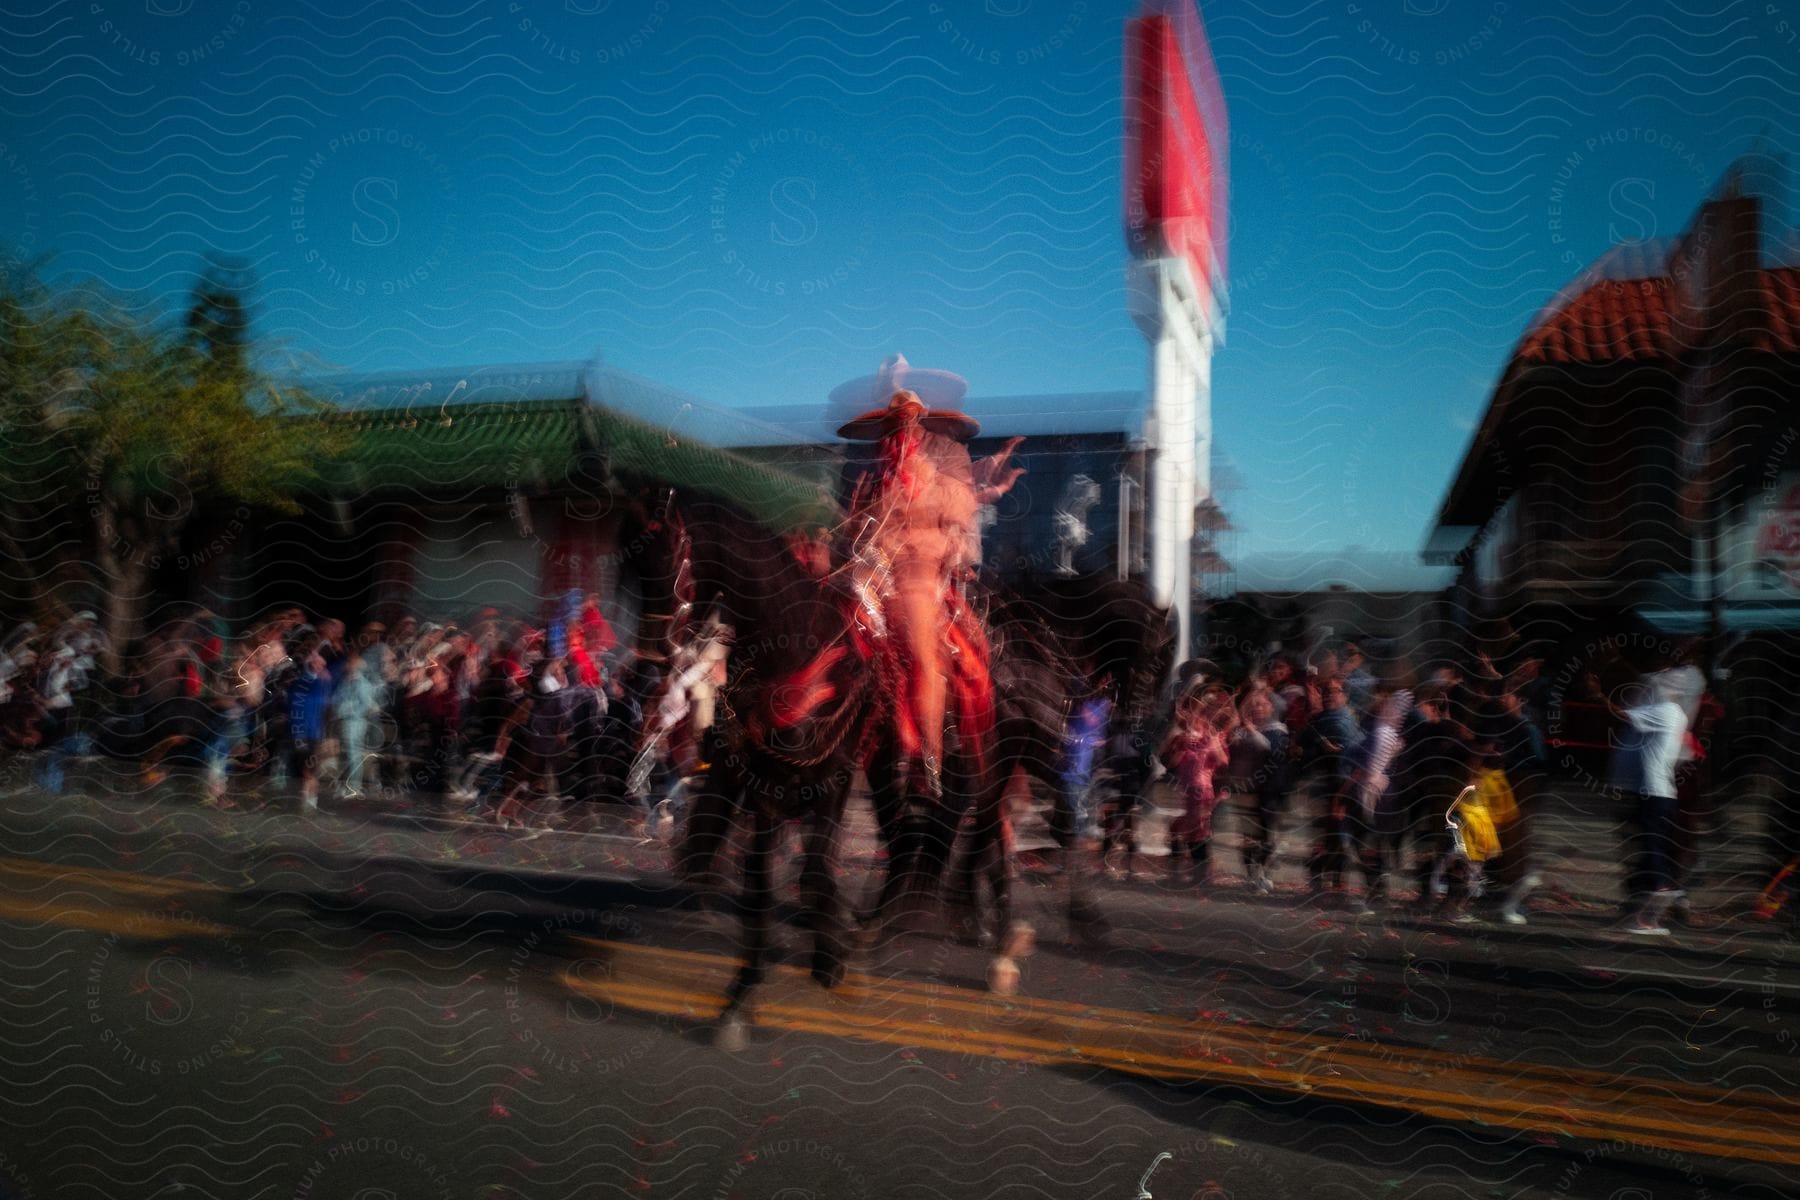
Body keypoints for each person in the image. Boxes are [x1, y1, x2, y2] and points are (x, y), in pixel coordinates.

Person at [1607, 676, 1690, 934]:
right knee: (1652, 846)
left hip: (1653, 791)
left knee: (1652, 847)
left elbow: (1621, 714)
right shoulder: (1675, 714)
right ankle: (1661, 898)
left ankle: (1657, 904)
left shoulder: (1665, 711)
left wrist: (1598, 696)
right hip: (1660, 792)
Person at [1161, 684, 1232, 886]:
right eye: (1196, 711)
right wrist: (1178, 745)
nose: (1196, 717)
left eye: (1201, 712)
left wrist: (1212, 741)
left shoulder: (1215, 736)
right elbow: (1171, 763)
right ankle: (1188, 874)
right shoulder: (1185, 737)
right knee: (1180, 828)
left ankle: (1200, 876)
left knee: (1196, 830)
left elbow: (1223, 762)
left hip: (1202, 790)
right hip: (1187, 790)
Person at [1228, 691, 1290, 894]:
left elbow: (1269, 749)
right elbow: (1232, 747)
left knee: (1265, 835)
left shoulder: (1278, 731)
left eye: (1262, 704)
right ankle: (1252, 876)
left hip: (1269, 792)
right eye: (1253, 705)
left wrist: (1250, 730)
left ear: (1271, 708)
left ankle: (1262, 873)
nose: (1257, 708)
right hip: (1245, 790)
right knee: (1247, 836)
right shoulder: (1245, 730)